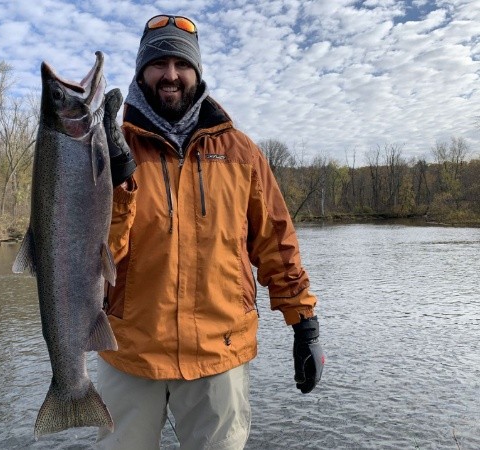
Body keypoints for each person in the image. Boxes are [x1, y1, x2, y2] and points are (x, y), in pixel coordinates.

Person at [98, 14, 325, 450]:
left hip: (220, 352)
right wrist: (118, 186)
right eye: (158, 62)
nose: (170, 74)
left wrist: (305, 325)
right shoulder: (110, 146)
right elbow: (92, 257)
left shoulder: (241, 151)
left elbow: (277, 244)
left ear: (196, 73)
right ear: (141, 71)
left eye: (181, 64)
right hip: (129, 352)